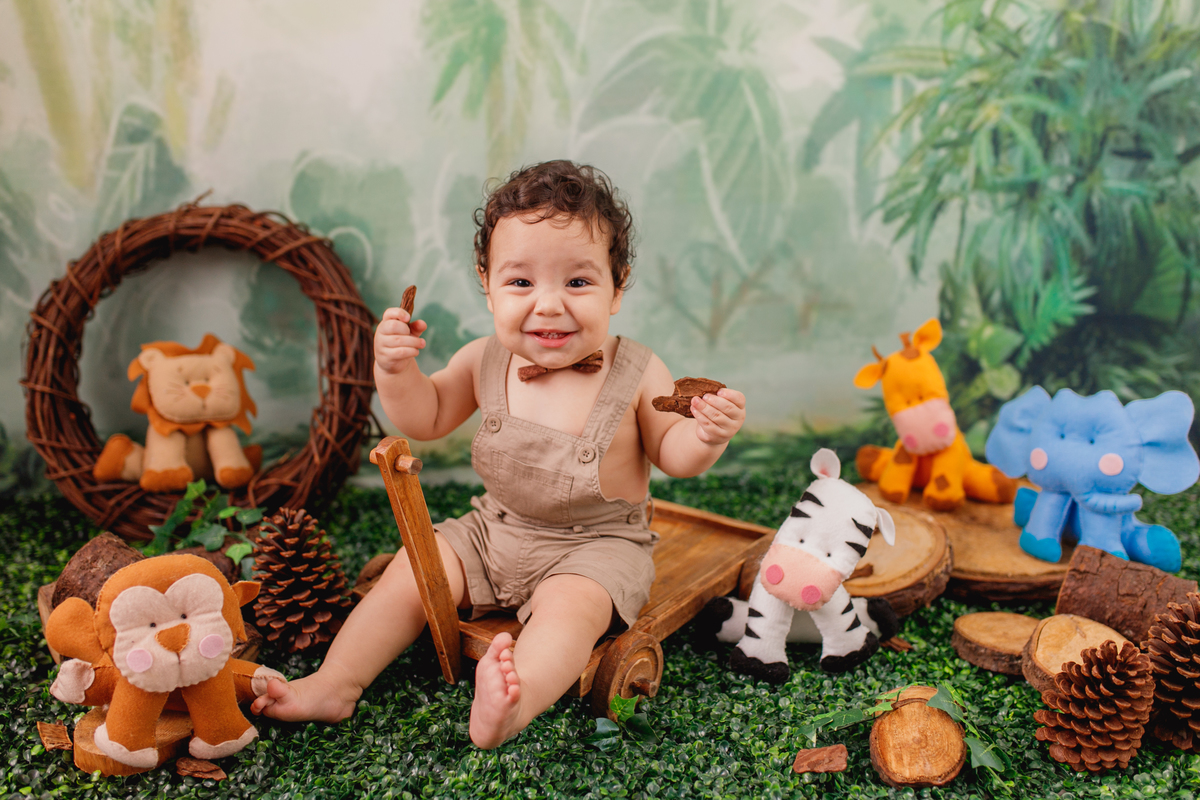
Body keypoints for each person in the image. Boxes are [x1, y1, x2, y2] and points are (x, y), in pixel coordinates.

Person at [251, 160, 746, 748]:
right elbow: (424, 416)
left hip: (596, 546)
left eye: (578, 282)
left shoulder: (638, 371)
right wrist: (395, 368)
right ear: (486, 283)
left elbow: (674, 454)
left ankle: (515, 705)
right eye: (521, 283)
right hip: (494, 529)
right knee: (416, 568)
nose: (549, 305)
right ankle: (335, 682)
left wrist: (706, 436)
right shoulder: (482, 358)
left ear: (618, 287)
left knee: (572, 612)